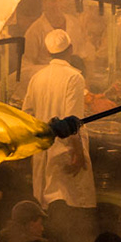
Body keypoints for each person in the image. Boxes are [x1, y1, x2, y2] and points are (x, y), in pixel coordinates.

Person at [24, 32, 96, 212]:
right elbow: (73, 120)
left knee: (46, 204)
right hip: (65, 151)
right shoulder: (74, 77)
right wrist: (78, 153)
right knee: (68, 205)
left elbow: (27, 114)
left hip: (42, 149)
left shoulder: (37, 77)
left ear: (48, 53)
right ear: (70, 49)